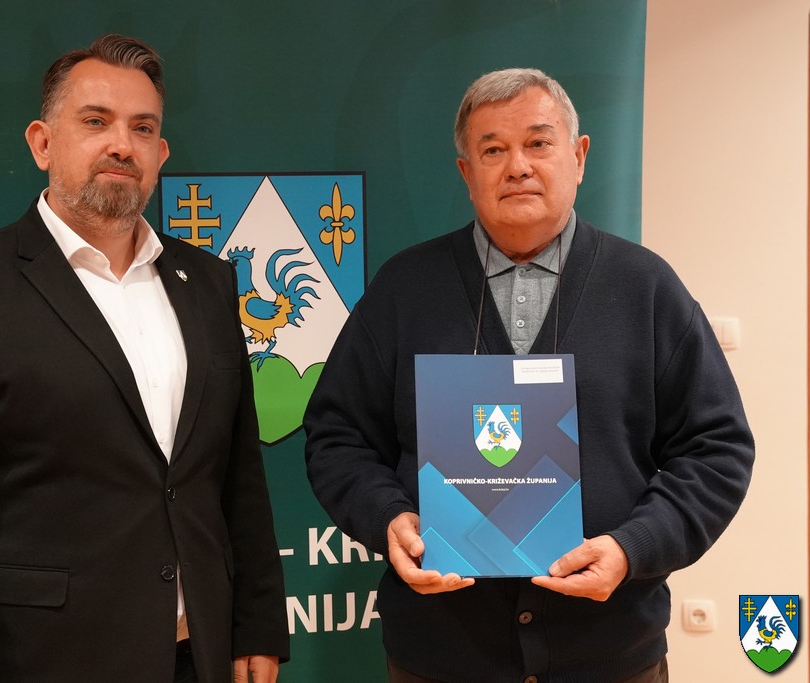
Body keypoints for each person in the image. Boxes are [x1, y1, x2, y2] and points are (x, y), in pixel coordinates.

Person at [303, 67, 754, 683]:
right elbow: (338, 437)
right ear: (467, 173)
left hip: (610, 655)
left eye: (538, 143)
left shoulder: (647, 288)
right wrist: (387, 517)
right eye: (493, 150)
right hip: (441, 656)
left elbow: (717, 449)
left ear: (579, 156)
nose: (517, 166)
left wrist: (634, 547)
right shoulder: (404, 289)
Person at [0, 34, 289, 683]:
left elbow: (236, 470)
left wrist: (257, 622)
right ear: (42, 143)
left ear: (160, 154)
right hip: (34, 661)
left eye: (142, 128)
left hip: (196, 655)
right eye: (96, 121)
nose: (121, 144)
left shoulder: (208, 282)